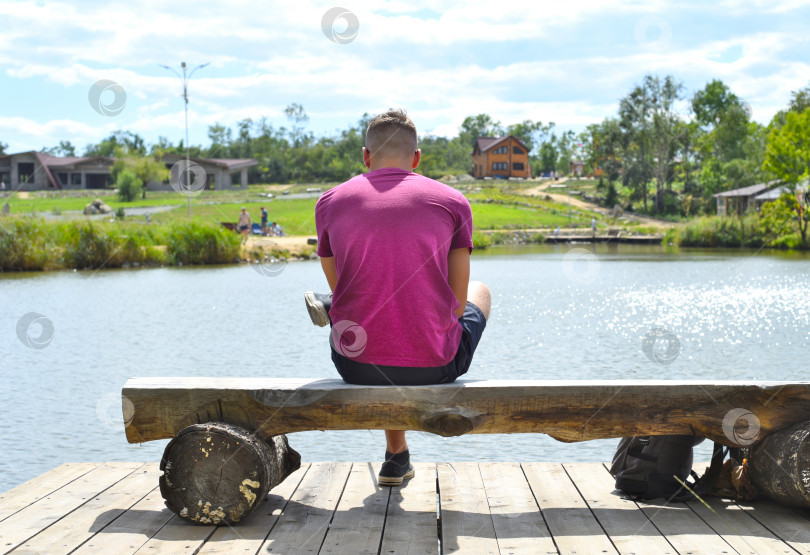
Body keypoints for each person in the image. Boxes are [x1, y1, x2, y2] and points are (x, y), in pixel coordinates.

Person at [304, 109, 491, 487]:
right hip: (434, 363)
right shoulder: (453, 202)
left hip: (355, 364)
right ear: (417, 159)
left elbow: (343, 284)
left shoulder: (329, 201)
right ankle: (397, 454)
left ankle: (396, 457)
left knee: (373, 319)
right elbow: (457, 305)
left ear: (365, 156)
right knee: (479, 292)